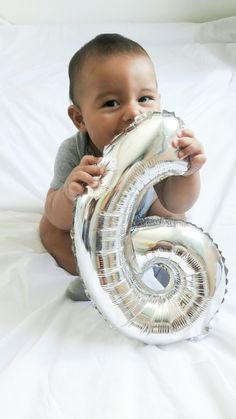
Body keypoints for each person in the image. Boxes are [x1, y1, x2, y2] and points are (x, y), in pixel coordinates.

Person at [39, 33, 206, 300]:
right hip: (92, 229)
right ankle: (94, 275)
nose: (133, 113)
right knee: (49, 229)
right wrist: (70, 194)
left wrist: (189, 172)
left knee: (175, 221)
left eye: (145, 99)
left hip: (142, 219)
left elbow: (177, 204)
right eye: (111, 103)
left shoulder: (159, 145)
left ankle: (153, 270)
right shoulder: (76, 152)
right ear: (79, 118)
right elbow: (56, 215)